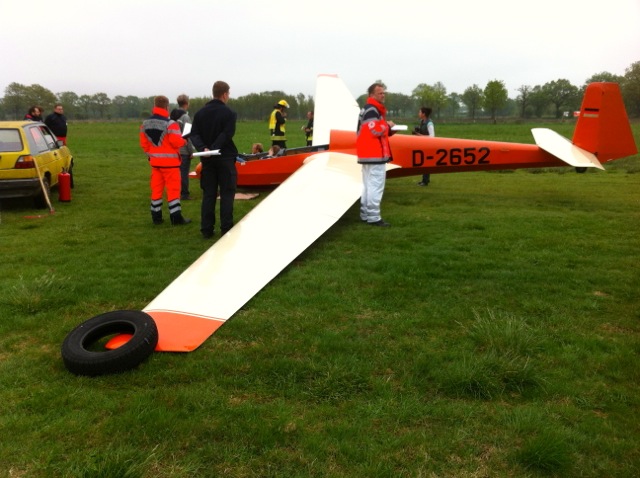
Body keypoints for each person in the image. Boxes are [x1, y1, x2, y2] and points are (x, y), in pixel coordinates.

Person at [190, 81, 238, 239]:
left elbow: (194, 134)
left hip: (207, 159)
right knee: (227, 193)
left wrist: (204, 148)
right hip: (224, 157)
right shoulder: (229, 113)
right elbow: (227, 133)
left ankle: (206, 229)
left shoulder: (199, 114)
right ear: (224, 94)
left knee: (209, 194)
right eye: (228, 94)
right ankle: (226, 228)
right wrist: (214, 148)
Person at [139, 95, 191, 226]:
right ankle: (176, 217)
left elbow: (144, 144)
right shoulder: (171, 124)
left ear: (154, 106)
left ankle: (156, 216)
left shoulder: (145, 124)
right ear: (167, 107)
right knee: (173, 190)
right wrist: (184, 141)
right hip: (171, 165)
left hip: (155, 164)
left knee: (156, 190)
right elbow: (175, 141)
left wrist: (152, 155)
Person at [356, 82, 395, 227]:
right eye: (380, 93)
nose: (383, 95)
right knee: (375, 185)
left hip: (367, 154)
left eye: (384, 92)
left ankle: (365, 213)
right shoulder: (372, 110)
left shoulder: (368, 109)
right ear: (372, 95)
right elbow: (375, 130)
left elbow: (370, 131)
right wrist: (388, 125)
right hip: (374, 154)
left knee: (367, 185)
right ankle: (374, 217)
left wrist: (388, 130)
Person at [170, 94, 195, 200]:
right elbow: (187, 135)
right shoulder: (185, 117)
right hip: (184, 150)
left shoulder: (172, 116)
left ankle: (174, 192)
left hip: (173, 149)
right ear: (187, 103)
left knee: (175, 173)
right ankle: (184, 194)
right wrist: (191, 151)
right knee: (184, 173)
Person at [414, 107, 435, 186]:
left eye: (420, 112)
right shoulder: (422, 121)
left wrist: (420, 135)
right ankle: (424, 180)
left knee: (426, 163)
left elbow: (432, 136)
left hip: (428, 146)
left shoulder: (429, 123)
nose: (418, 114)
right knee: (423, 163)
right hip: (423, 145)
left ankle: (425, 181)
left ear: (424, 114)